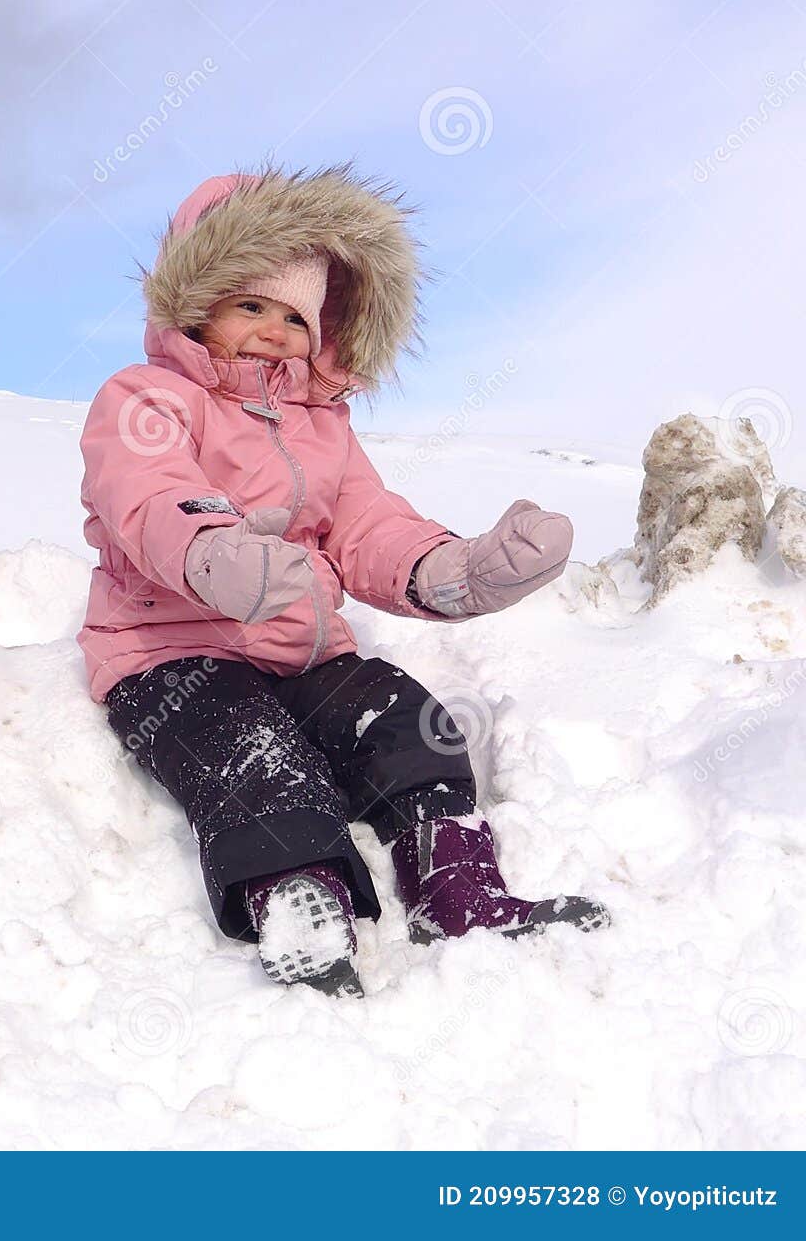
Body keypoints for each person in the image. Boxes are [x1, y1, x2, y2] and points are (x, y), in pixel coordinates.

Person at [79, 166, 607, 996]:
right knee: (252, 754)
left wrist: (458, 571)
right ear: (196, 300)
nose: (274, 331)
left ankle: (458, 888)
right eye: (250, 304)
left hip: (303, 651)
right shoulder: (149, 398)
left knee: (411, 723)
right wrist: (214, 553)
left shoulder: (323, 427)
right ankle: (300, 903)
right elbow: (145, 496)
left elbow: (368, 526)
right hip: (171, 657)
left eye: (296, 317)